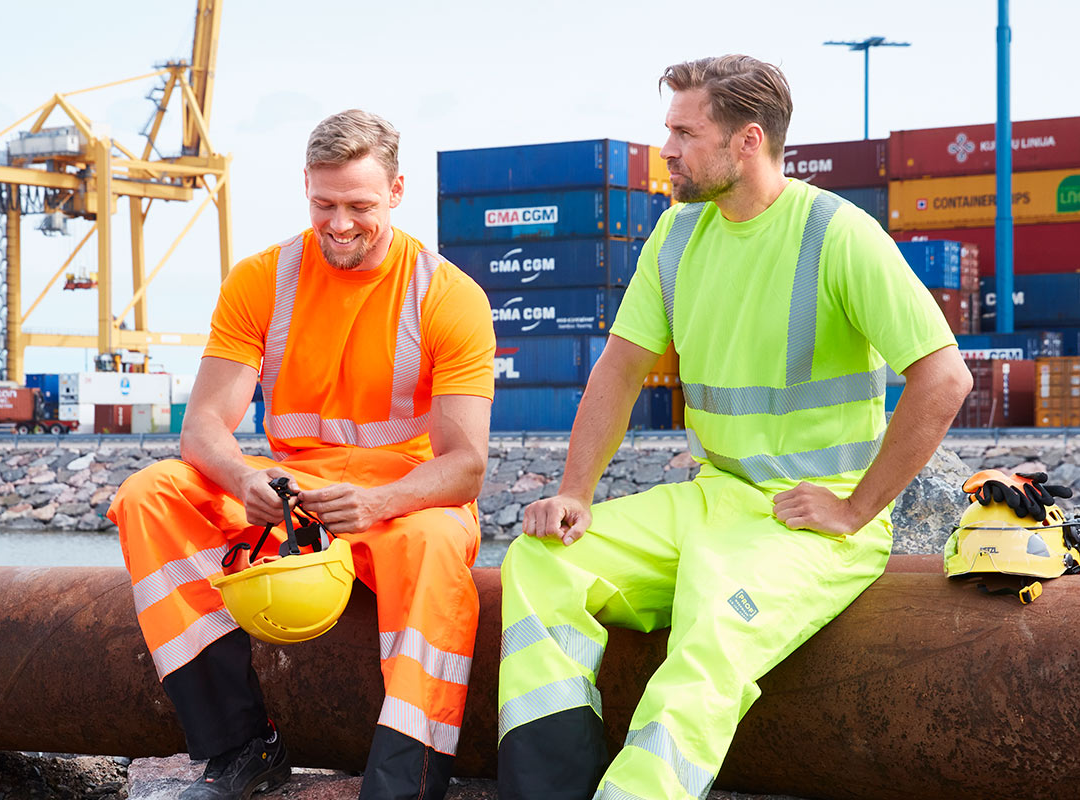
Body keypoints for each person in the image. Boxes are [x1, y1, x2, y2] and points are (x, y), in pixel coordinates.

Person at [495, 55, 973, 800]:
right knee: (543, 560)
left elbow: (945, 379)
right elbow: (618, 370)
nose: (667, 149)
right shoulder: (677, 236)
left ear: (747, 141)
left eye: (685, 132)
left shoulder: (836, 233)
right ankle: (547, 789)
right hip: (712, 498)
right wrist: (575, 493)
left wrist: (854, 509)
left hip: (809, 523)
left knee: (709, 635)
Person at [109, 109, 496, 800]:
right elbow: (202, 429)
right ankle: (240, 750)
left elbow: (465, 465)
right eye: (324, 205)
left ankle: (407, 780)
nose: (340, 224)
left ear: (398, 192)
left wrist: (378, 502)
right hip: (292, 493)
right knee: (151, 494)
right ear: (306, 190)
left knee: (436, 545)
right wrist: (245, 479)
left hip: (403, 498)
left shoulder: (448, 296)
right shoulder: (262, 279)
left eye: (359, 206)